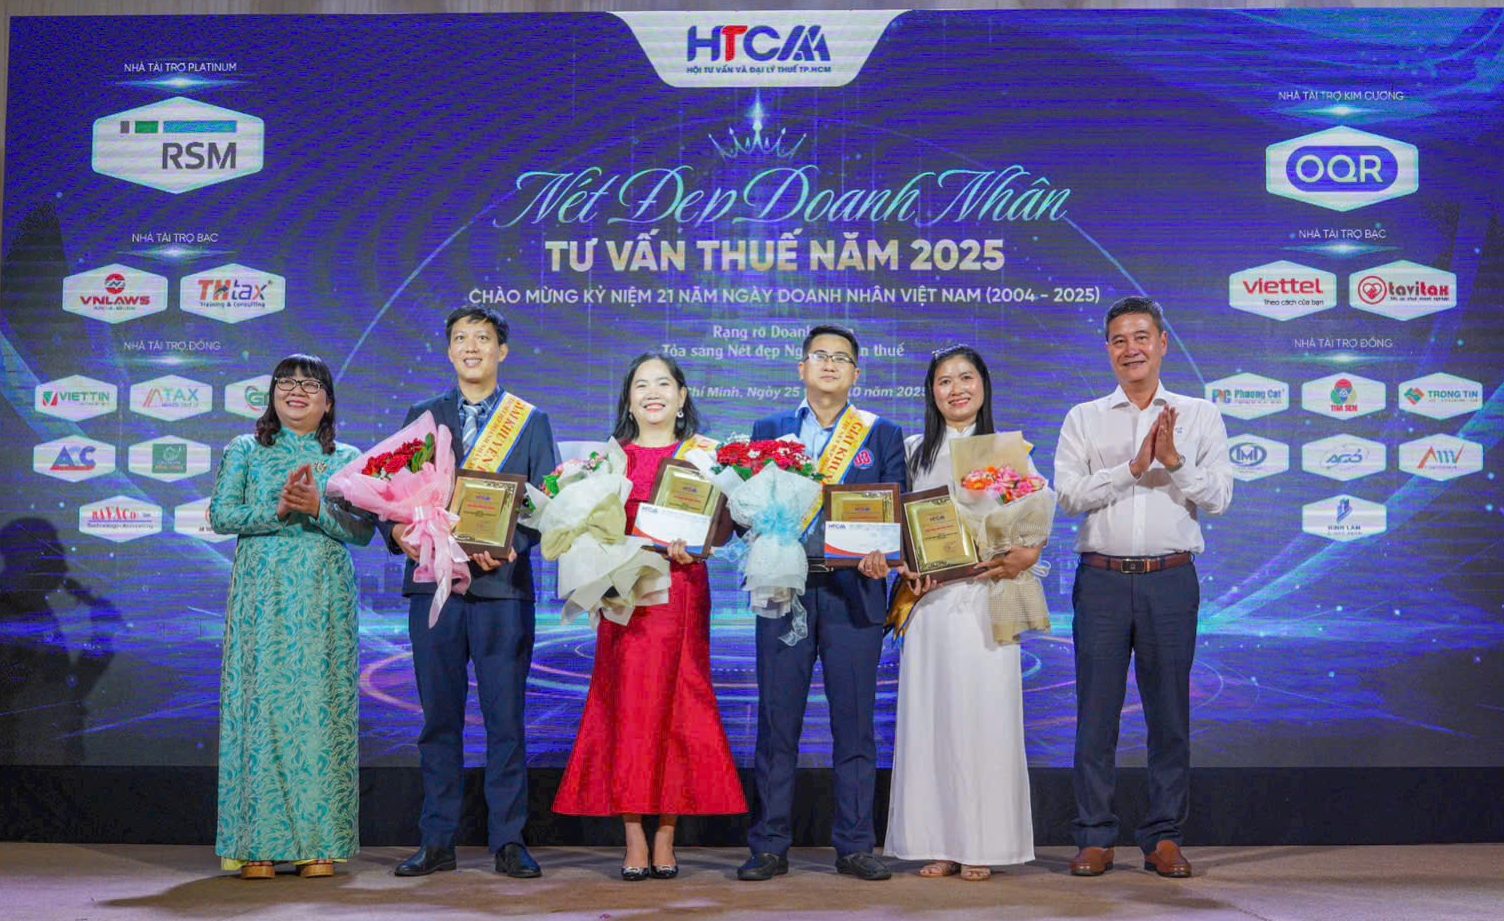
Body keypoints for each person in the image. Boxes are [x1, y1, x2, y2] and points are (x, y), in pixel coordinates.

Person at [1055, 296, 1233, 879]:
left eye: (1140, 337)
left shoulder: (1199, 414)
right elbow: (1068, 496)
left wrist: (1174, 461)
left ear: (1162, 343)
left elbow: (1219, 498)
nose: (1130, 349)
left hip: (1170, 580)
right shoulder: (1084, 417)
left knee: (1169, 715)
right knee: (1095, 715)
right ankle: (1094, 836)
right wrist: (1132, 468)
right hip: (1102, 582)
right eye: (1119, 340)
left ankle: (1164, 837)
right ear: (1108, 349)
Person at [553, 352, 747, 880]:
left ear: (682, 397)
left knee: (680, 710)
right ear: (629, 399)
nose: (653, 393)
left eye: (664, 384)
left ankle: (667, 834)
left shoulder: (707, 458)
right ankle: (634, 835)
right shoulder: (606, 462)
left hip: (682, 593)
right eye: (642, 385)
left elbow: (724, 527)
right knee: (630, 713)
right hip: (627, 600)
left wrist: (703, 542)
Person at [384, 306, 558, 879]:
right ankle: (437, 839)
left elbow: (546, 503)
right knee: (439, 719)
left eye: (482, 338)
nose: (471, 347)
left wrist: (512, 545)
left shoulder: (530, 420)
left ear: (502, 350)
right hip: (434, 585)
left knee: (505, 720)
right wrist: (399, 533)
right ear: (449, 351)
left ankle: (508, 840)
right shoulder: (422, 415)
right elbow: (393, 491)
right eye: (460, 338)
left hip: (501, 588)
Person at [738, 325, 907, 882]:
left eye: (841, 358)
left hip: (854, 592)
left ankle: (856, 844)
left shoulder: (881, 434)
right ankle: (769, 844)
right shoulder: (769, 431)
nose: (829, 364)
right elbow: (746, 512)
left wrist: (885, 553)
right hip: (784, 590)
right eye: (819, 356)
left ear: (856, 373)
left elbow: (895, 511)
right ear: (801, 368)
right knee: (776, 722)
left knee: (855, 724)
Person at [209, 353, 374, 880]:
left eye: (310, 384)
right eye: (286, 382)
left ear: (328, 402)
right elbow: (220, 515)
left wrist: (317, 508)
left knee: (320, 709)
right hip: (263, 597)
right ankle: (255, 845)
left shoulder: (347, 457)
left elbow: (363, 532)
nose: (296, 390)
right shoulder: (245, 449)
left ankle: (319, 844)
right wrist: (277, 510)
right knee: (260, 709)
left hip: (323, 598)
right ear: (271, 395)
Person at [885, 346, 1037, 881]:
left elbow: (1031, 527)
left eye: (966, 378)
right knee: (933, 720)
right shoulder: (912, 451)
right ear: (931, 392)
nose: (956, 389)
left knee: (986, 720)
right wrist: (903, 562)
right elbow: (895, 523)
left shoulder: (1008, 451)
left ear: (984, 386)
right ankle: (939, 842)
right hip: (929, 606)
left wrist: (1023, 553)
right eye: (944, 381)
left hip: (986, 601)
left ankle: (983, 844)